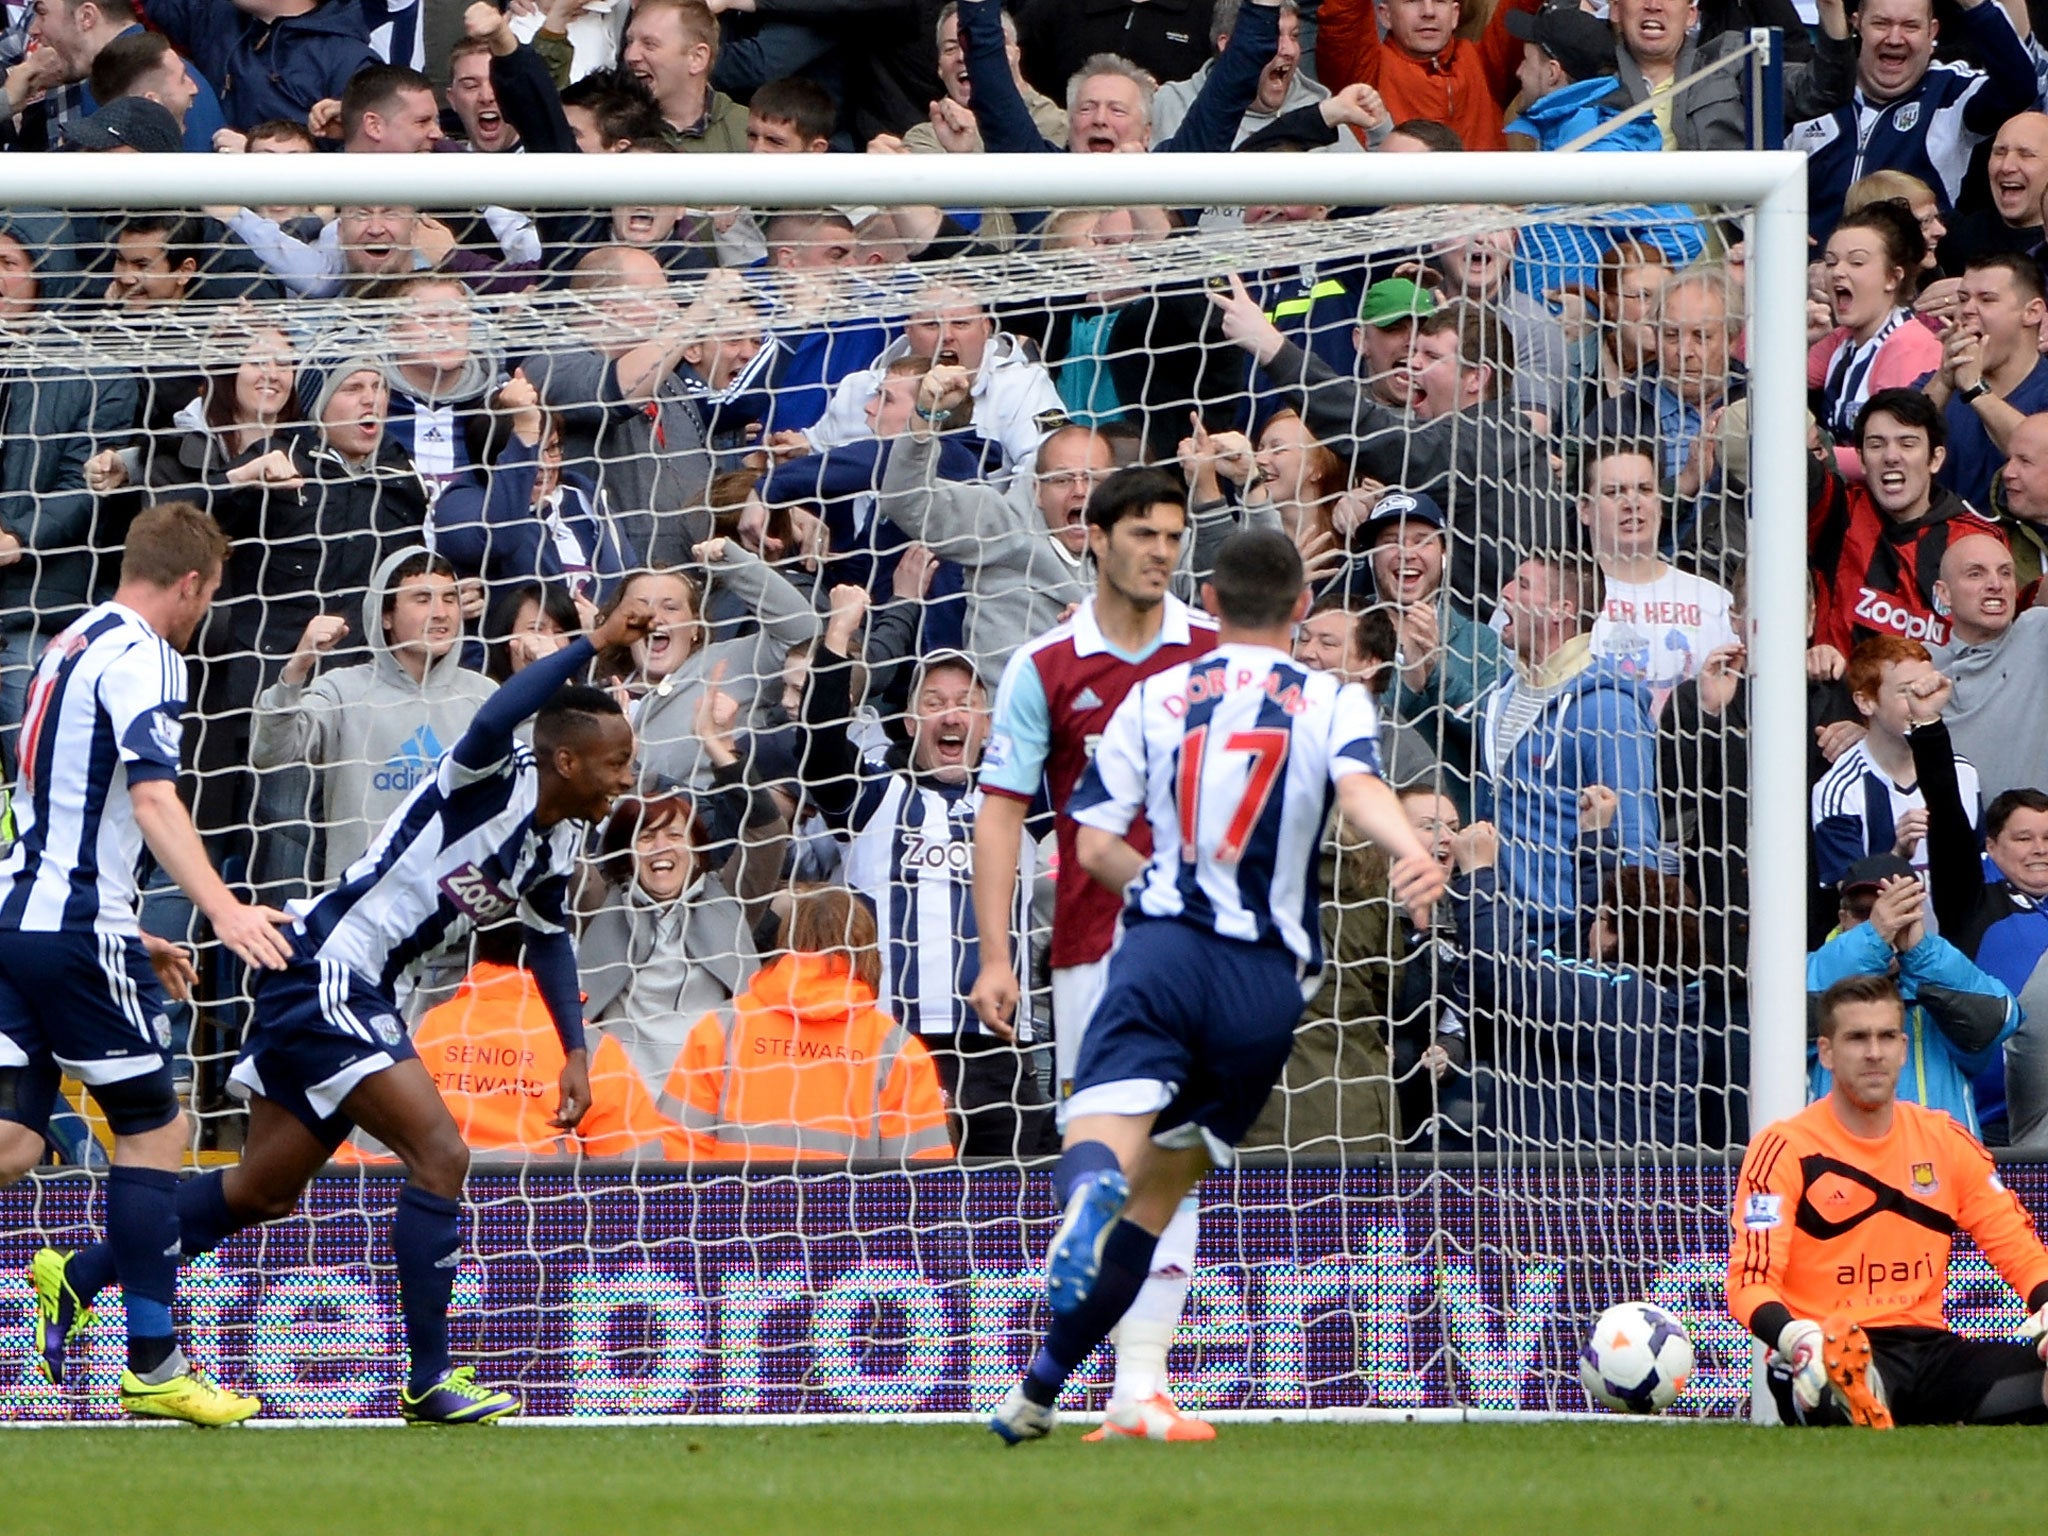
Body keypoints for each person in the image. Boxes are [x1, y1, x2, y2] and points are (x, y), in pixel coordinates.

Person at [33, 599, 655, 1423]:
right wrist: (593, 642)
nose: (626, 781)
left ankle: (79, 1273)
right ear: (567, 761)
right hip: (331, 971)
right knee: (440, 1154)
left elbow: (547, 938)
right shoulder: (483, 781)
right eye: (616, 764)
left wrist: (574, 1050)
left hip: (346, 989)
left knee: (259, 1194)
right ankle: (429, 1377)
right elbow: (505, 710)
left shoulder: (552, 842)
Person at [987, 527, 1444, 1444]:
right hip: (1268, 985)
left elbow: (1091, 843)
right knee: (1157, 1201)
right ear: (1304, 606)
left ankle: (1084, 1199)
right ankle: (1037, 1393)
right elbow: (1357, 790)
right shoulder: (1332, 697)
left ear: (1211, 600)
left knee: (1102, 1140)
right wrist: (1414, 853)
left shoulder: (1154, 694)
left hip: (1164, 952)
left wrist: (1154, 888)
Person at [3, 503, 292, 1424]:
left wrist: (131, 932)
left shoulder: (66, 641)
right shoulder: (148, 656)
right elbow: (153, 796)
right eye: (208, 599)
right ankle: (155, 1364)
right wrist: (222, 908)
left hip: (18, 917)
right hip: (79, 927)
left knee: (12, 1142)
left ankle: (87, 1295)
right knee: (155, 1129)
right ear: (191, 586)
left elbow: (50, 801)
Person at [970, 465, 1218, 1439]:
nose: (1161, 552)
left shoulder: (1212, 651)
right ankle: (1136, 1384)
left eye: (1173, 536)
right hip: (1091, 938)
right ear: (1095, 538)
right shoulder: (1043, 665)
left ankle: (1131, 1382)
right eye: (1144, 534)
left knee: (1148, 1150)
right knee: (1162, 1153)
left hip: (1194, 937)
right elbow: (1000, 814)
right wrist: (995, 956)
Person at [1726, 971, 2048, 1429]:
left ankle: (1872, 1398)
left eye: (1885, 1037)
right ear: (1828, 1053)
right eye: (1857, 1038)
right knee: (1824, 1381)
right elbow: (1749, 1281)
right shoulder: (1785, 1147)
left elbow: (2016, 1246)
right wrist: (1796, 1336)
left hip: (1932, 1353)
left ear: (1902, 1046)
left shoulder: (1945, 1140)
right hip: (1825, 1345)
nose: (1874, 1053)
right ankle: (1844, 1388)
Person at [800, 594, 1054, 1157]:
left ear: (987, 726)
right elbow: (819, 754)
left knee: (1012, 1218)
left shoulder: (1017, 803)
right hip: (893, 1039)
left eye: (966, 703)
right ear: (913, 721)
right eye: (935, 702)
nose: (951, 715)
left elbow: (1083, 752)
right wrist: (838, 638)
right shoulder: (878, 797)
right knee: (900, 1215)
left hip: (998, 1046)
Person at [1209, 278, 1561, 613]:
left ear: (1476, 378)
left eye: (1432, 356)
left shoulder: (1492, 437)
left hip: (1489, 655)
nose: (1414, 362)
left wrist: (1272, 347)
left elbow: (1379, 434)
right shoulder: (1482, 438)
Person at [336, 925, 688, 1163]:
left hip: (430, 1227)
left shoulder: (422, 1032)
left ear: (478, 947)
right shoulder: (588, 1048)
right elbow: (637, 1177)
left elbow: (356, 1159)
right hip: (546, 1246)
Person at [250, 551, 498, 888]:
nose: (441, 613)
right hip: (358, 908)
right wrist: (298, 667)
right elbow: (270, 753)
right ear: (385, 617)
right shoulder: (342, 689)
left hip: (451, 911)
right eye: (423, 599)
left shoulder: (483, 695)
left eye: (450, 599)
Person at [656, 886, 954, 1163]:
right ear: (867, 952)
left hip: (739, 1216)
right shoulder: (896, 1049)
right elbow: (920, 1181)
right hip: (848, 1219)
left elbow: (675, 1149)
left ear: (786, 941)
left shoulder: (724, 1027)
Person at [1465, 818, 1710, 1147]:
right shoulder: (1670, 997)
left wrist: (1478, 874)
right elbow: (1600, 950)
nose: (1591, 923)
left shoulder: (1613, 1001)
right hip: (1633, 1182)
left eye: (1602, 919)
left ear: (1625, 936)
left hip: (1568, 1190)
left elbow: (1505, 967)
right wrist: (1595, 842)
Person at [1476, 550, 1661, 942]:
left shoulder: (1609, 708)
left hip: (1569, 938)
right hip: (1500, 932)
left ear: (1561, 610)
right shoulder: (1500, 699)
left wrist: (1621, 938)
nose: (1505, 592)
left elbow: (1635, 833)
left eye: (1522, 585)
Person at [1907, 669, 2048, 1147]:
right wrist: (1928, 729)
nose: (2039, 849)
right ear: (1991, 844)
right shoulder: (1971, 899)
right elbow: (1947, 815)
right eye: (2024, 838)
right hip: (1987, 1129)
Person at [578, 786, 784, 1097]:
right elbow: (559, 845)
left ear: (696, 851)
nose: (661, 847)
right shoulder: (600, 905)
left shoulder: (729, 900)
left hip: (707, 1103)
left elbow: (769, 831)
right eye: (646, 837)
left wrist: (723, 757)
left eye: (674, 836)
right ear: (627, 855)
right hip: (622, 1110)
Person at [1790, 0, 2036, 245]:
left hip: (1915, 276)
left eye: (1910, 26)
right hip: (1802, 274)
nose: (1895, 38)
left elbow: (2019, 87)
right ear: (1857, 25)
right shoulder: (1806, 94)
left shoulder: (1950, 92)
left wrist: (1974, 5)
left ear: (1932, 32)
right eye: (1881, 24)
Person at [1807, 855, 2016, 1138]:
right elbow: (1790, 1016)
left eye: (1899, 909)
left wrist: (1920, 951)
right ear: (1843, 918)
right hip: (1839, 1165)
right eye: (1864, 912)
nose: (1886, 922)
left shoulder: (1938, 974)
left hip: (1940, 1167)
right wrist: (1874, 937)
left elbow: (1999, 1017)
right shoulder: (1806, 974)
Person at [1808, 389, 2001, 655]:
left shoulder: (1974, 540)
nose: (1891, 456)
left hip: (1942, 694)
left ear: (1935, 459)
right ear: (1861, 459)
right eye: (1876, 444)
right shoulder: (1837, 510)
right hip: (1837, 693)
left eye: (1907, 444)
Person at [1353, 490, 1502, 815]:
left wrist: (1436, 672)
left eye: (1423, 540)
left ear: (1445, 553)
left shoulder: (1482, 642)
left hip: (1455, 841)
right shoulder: (1345, 634)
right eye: (1391, 541)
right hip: (1363, 837)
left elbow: (1496, 739)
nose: (1407, 554)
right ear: (1372, 557)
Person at [1811, 634, 1980, 896]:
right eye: (1906, 691)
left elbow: (1981, 875)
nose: (1921, 701)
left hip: (1955, 937)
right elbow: (1853, 900)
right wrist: (1897, 854)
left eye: (1928, 687)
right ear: (1865, 702)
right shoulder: (1839, 789)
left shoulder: (1963, 774)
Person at [1579, 442, 1738, 713]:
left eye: (1644, 489)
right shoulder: (1551, 596)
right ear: (1584, 509)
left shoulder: (1714, 601)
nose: (1632, 503)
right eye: (1614, 492)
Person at [1811, 202, 1943, 466]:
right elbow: (1768, 383)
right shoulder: (1841, 339)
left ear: (1892, 278)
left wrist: (1807, 460)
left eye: (1857, 262)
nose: (1838, 271)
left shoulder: (1910, 346)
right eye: (1830, 262)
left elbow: (1892, 456)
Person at [1313, 0, 1539, 152]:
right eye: (1412, 0)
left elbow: (1525, 7)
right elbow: (1342, 15)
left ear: (1455, 14)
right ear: (1385, 15)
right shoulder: (1365, 71)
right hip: (1400, 219)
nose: (1428, 12)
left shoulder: (1485, 65)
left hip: (1486, 219)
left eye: (1440, 0)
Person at [1926, 530, 2048, 804]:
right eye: (1976, 574)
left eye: (2006, 573)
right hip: (1958, 840)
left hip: (2037, 840)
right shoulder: (1922, 664)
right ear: (1944, 594)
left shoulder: (2038, 633)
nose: (1996, 584)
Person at [145, 0, 380, 132]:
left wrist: (258, 155)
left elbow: (366, 156)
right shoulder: (216, 16)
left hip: (299, 212)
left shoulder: (348, 60)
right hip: (210, 205)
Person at [1929, 252, 2048, 511]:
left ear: (2032, 312)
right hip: (1940, 542)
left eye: (1987, 299)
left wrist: (1976, 391)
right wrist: (1944, 381)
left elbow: (2040, 458)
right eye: (1962, 299)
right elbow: (1894, 438)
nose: (1967, 310)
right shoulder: (1937, 382)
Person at [622, 0, 748, 147]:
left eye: (649, 44)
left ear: (697, 58)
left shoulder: (748, 130)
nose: (631, 56)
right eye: (629, 42)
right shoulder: (605, 125)